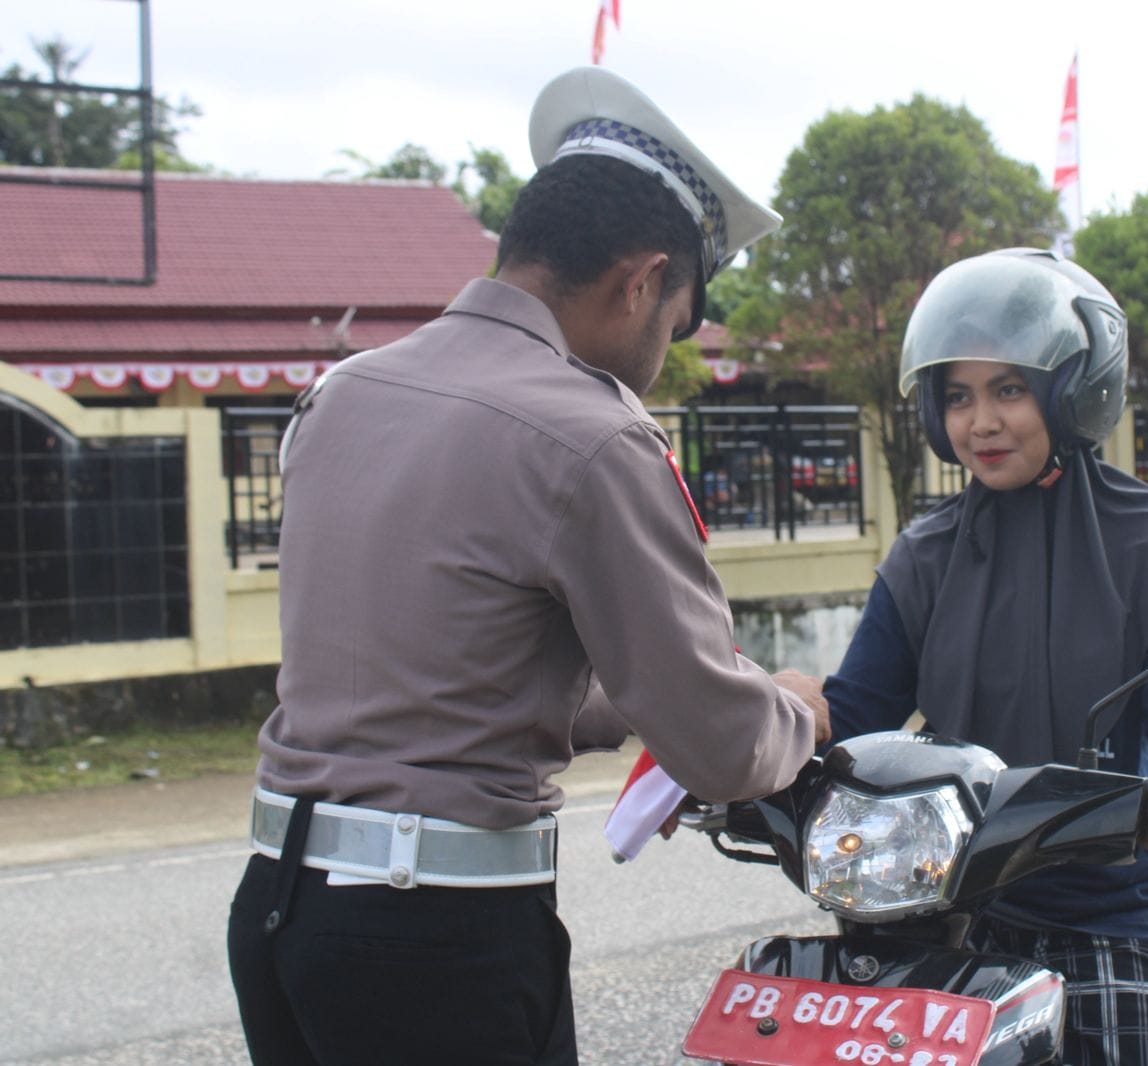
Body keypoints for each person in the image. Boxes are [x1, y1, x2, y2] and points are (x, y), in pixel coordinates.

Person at [226, 67, 828, 1066]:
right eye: (673, 323)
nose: (662, 352)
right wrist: (794, 709)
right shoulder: (587, 434)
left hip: (279, 910)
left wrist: (633, 699)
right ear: (642, 281)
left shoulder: (345, 394)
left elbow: (455, 672)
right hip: (437, 937)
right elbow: (723, 746)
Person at [822, 248, 1148, 1066]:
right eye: (958, 396)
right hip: (946, 901)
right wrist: (748, 732)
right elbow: (855, 711)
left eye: (1009, 389)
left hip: (1115, 902)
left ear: (1075, 389)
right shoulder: (924, 556)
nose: (981, 421)